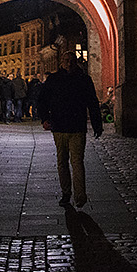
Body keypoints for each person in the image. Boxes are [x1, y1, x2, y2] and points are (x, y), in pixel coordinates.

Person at [39, 49, 103, 209]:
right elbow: (42, 100)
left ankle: (80, 196)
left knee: (77, 162)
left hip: (76, 127)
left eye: (71, 60)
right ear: (61, 62)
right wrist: (45, 118)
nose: (69, 63)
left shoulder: (84, 80)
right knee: (62, 162)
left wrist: (97, 123)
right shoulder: (53, 80)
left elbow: (93, 102)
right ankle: (66, 193)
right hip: (59, 126)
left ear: (76, 62)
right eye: (66, 60)